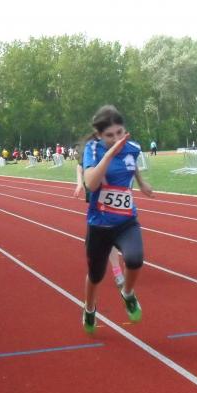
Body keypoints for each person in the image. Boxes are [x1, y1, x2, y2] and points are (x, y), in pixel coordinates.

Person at [81, 105, 153, 333]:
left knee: (135, 259)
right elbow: (91, 183)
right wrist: (110, 153)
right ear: (99, 135)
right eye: (109, 135)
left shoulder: (132, 148)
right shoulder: (92, 150)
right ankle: (89, 308)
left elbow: (132, 165)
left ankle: (127, 293)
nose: (116, 138)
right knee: (96, 275)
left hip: (126, 220)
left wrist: (141, 182)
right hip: (99, 224)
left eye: (120, 132)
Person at [73, 134, 125, 290]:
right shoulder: (91, 148)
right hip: (97, 194)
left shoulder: (113, 146)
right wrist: (79, 184)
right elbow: (80, 167)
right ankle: (117, 271)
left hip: (113, 193)